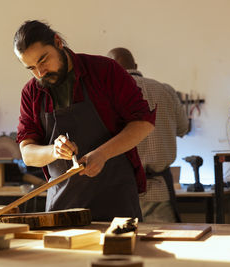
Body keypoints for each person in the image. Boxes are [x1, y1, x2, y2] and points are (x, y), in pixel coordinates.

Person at [14, 21, 155, 221]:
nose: (40, 73)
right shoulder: (32, 93)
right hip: (62, 208)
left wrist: (102, 154)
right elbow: (27, 153)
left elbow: (143, 123)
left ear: (58, 42)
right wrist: (54, 150)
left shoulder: (104, 71)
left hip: (116, 203)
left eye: (43, 60)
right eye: (31, 68)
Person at [107, 47, 188, 223]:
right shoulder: (165, 90)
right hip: (159, 191)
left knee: (122, 246)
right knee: (164, 244)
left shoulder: (107, 95)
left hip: (122, 192)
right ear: (135, 65)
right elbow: (183, 128)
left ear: (111, 69)